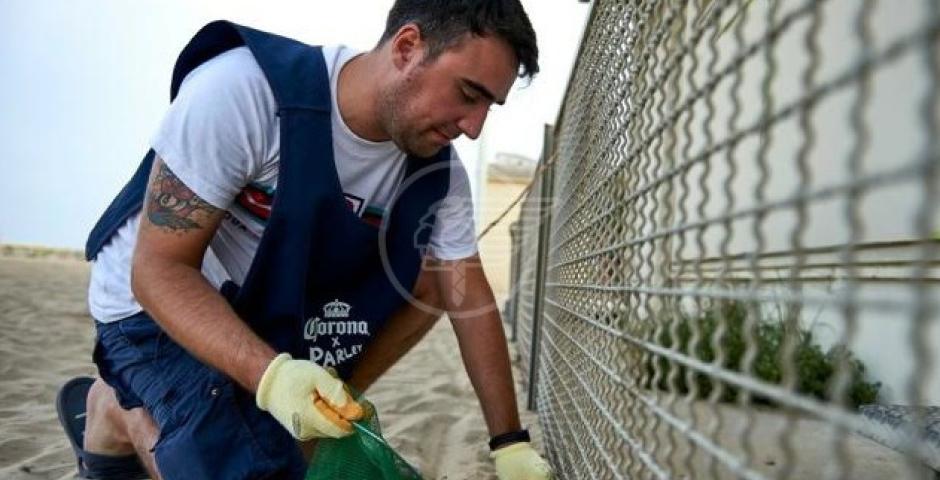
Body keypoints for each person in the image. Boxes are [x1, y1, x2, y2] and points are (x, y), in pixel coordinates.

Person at [58, 1, 554, 479]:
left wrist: (509, 443)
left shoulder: (439, 178)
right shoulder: (243, 91)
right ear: (407, 47)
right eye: (469, 93)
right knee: (239, 468)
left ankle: (307, 397)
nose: (474, 127)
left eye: (490, 105)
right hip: (151, 300)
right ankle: (118, 409)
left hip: (263, 307)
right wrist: (274, 379)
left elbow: (468, 297)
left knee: (431, 279)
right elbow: (158, 271)